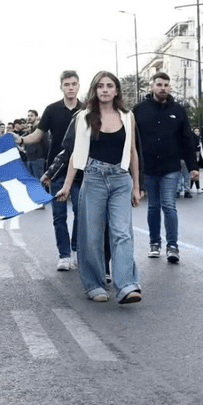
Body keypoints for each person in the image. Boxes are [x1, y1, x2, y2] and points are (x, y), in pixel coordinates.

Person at [55, 72, 143, 304]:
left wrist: (136, 186)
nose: (105, 90)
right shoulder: (83, 117)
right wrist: (66, 186)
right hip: (93, 178)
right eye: (101, 86)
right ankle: (94, 284)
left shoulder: (127, 116)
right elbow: (76, 154)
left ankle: (126, 285)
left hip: (121, 179)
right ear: (94, 90)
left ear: (116, 91)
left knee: (122, 233)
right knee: (91, 235)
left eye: (110, 86)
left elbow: (133, 151)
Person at [16, 70, 84, 271]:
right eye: (67, 84)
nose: (70, 87)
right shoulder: (52, 110)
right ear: (61, 87)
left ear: (79, 86)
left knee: (81, 213)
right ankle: (64, 255)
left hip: (81, 170)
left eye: (74, 84)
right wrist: (19, 139)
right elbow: (38, 135)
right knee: (59, 215)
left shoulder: (87, 109)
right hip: (56, 169)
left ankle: (78, 249)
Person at [133, 72, 197, 264]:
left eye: (166, 85)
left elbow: (187, 139)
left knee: (169, 205)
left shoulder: (178, 110)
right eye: (159, 84)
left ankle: (172, 246)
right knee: (153, 207)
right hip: (149, 167)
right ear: (152, 86)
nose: (163, 88)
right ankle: (154, 243)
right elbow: (133, 141)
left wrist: (193, 166)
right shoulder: (139, 110)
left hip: (171, 166)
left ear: (170, 87)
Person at [24, 109, 49, 181]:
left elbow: (46, 144)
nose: (29, 117)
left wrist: (44, 158)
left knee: (39, 182)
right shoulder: (30, 130)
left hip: (38, 159)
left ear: (36, 117)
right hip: (30, 159)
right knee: (32, 183)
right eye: (28, 116)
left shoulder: (41, 128)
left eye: (31, 115)